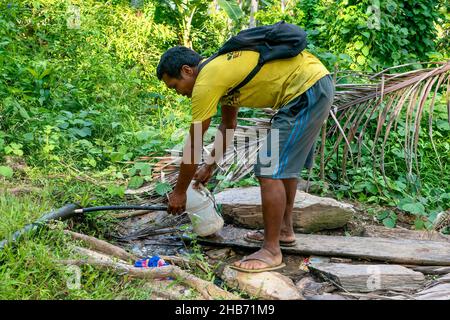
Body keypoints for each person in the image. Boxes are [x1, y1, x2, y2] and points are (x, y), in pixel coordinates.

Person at [156, 42, 334, 273]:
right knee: (282, 167)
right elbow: (228, 124)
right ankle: (283, 230)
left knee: (268, 168)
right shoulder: (220, 71)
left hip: (306, 91)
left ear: (187, 70)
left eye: (175, 85)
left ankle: (271, 251)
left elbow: (194, 144)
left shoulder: (207, 80)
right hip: (311, 87)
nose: (178, 92)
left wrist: (179, 193)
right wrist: (210, 166)